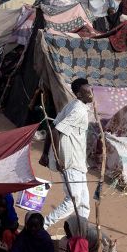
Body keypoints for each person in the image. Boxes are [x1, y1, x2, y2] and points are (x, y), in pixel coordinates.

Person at [44, 78, 93, 229]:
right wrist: (56, 158)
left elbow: (52, 125)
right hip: (70, 162)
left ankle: (80, 233)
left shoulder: (74, 105)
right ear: (79, 94)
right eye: (87, 91)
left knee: (83, 204)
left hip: (78, 162)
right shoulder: (77, 110)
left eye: (90, 90)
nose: (91, 94)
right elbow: (56, 130)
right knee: (73, 201)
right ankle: (44, 225)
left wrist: (45, 154)